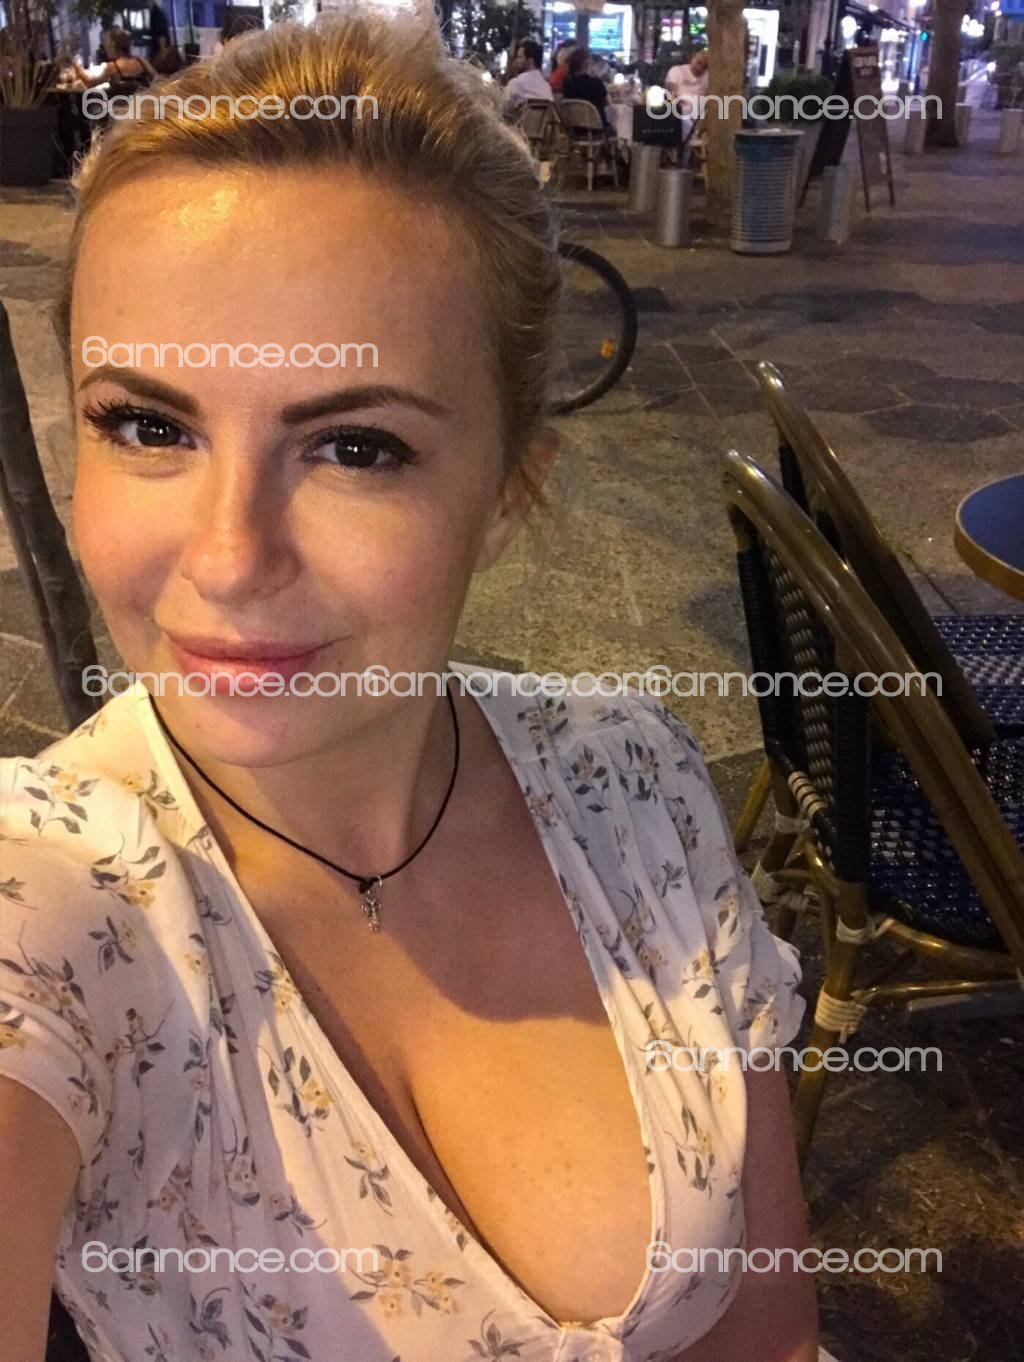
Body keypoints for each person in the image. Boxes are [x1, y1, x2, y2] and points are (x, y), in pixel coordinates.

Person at [0, 12, 820, 1362]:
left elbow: (768, 1320)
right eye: (149, 426)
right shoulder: (52, 893)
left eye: (356, 448)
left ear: (506, 496)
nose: (228, 559)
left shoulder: (635, 781)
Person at [73, 27, 156, 92]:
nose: (105, 47)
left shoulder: (113, 67)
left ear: (113, 45)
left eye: (107, 43)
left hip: (122, 108)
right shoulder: (141, 61)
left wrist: (76, 65)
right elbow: (156, 79)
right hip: (143, 105)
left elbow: (90, 83)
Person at [562, 45, 610, 126]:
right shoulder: (596, 83)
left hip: (574, 127)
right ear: (587, 63)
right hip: (597, 126)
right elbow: (607, 102)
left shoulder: (567, 82)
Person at [504, 38, 553, 105]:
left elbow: (503, 107)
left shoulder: (515, 83)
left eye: (520, 57)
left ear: (530, 61)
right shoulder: (547, 87)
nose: (517, 61)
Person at [665, 46, 709, 117]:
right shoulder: (676, 71)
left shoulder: (708, 77)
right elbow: (671, 92)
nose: (700, 68)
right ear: (692, 59)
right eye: (698, 63)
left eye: (705, 66)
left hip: (700, 116)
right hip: (679, 114)